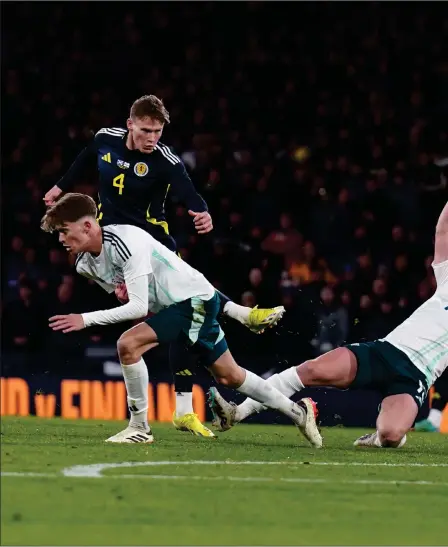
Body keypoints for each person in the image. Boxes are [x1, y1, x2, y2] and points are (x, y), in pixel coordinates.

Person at [43, 95, 285, 437]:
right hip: (112, 234)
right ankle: (237, 320)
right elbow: (85, 159)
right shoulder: (105, 139)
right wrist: (60, 186)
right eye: (145, 130)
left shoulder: (163, 158)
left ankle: (187, 400)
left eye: (157, 131)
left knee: (185, 300)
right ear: (130, 124)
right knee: (179, 314)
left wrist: (201, 210)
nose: (152, 138)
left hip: (151, 239)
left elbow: (186, 187)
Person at [40, 193, 320, 447]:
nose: (62, 239)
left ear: (87, 226)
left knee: (128, 345)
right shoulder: (83, 264)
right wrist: (121, 292)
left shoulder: (126, 242)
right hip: (182, 304)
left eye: (64, 231)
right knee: (230, 375)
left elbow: (137, 308)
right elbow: (129, 296)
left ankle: (140, 427)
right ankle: (298, 412)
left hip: (194, 299)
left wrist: (85, 319)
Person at [208, 202, 448, 448]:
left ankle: (380, 433)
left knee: (391, 436)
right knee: (310, 370)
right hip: (384, 352)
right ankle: (236, 413)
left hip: (415, 376)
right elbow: (443, 231)